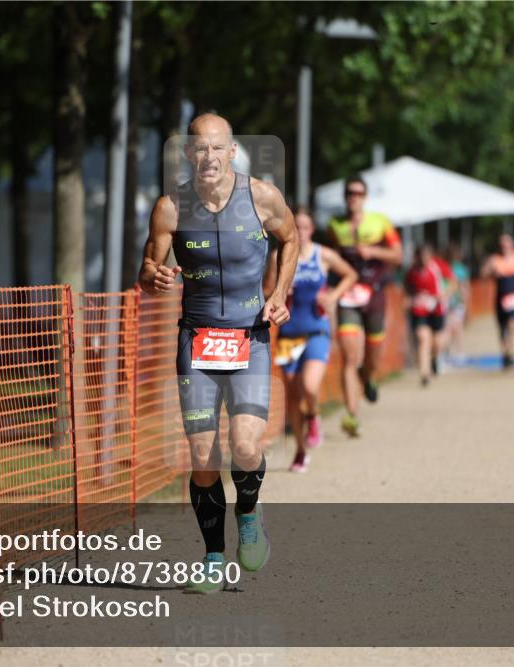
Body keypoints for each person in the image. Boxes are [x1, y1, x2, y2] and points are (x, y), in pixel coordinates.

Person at [139, 113, 298, 594]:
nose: (208, 157)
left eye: (217, 148)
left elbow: (291, 239)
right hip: (197, 341)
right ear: (189, 154)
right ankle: (212, 557)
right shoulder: (170, 208)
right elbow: (146, 271)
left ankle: (248, 512)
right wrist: (153, 276)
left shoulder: (263, 197)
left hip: (250, 337)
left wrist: (280, 293)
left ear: (232, 151)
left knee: (246, 446)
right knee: (202, 455)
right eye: (200, 148)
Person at [267, 206, 357, 473]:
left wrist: (332, 296)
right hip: (289, 334)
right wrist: (280, 291)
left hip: (317, 330)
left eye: (305, 227)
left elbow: (351, 274)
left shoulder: (323, 254)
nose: (301, 231)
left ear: (312, 230)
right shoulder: (277, 257)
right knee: (293, 396)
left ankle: (314, 416)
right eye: (296, 226)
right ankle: (300, 450)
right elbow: (267, 290)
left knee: (309, 384)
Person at [328, 176, 402, 437]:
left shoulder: (380, 222)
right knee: (350, 358)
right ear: (345, 196)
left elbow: (398, 255)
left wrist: (374, 252)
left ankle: (369, 376)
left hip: (375, 295)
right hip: (348, 296)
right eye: (350, 192)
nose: (354, 197)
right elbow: (331, 257)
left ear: (365, 197)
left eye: (359, 193)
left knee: (373, 356)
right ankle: (352, 415)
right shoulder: (335, 225)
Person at [481, 234, 514, 369]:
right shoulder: (494, 259)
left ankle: (511, 352)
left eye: (507, 244)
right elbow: (483, 273)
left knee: (513, 324)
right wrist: (491, 272)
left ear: (511, 245)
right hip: (500, 297)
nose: (504, 247)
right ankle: (505, 353)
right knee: (502, 327)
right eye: (502, 244)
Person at [405, 244, 453, 386]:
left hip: (437, 308)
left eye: (426, 257)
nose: (423, 260)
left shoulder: (439, 266)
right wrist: (411, 297)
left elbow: (453, 282)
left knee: (437, 343)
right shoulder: (412, 270)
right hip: (420, 309)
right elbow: (407, 285)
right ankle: (424, 374)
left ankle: (434, 359)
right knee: (423, 338)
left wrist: (445, 294)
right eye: (420, 257)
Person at [443, 244, 471, 364]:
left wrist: (465, 302)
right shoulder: (445, 267)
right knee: (451, 327)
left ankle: (456, 352)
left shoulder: (459, 269)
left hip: (455, 302)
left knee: (455, 327)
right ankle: (449, 352)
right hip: (448, 301)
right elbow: (465, 288)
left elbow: (464, 287)